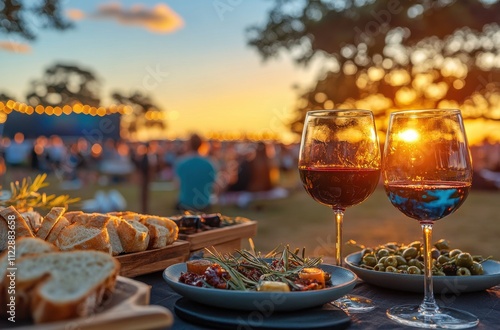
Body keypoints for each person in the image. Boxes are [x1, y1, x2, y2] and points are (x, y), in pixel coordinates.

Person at [174, 134, 217, 212]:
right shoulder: (210, 163)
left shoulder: (181, 163)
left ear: (188, 145)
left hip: (185, 205)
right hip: (204, 205)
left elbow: (177, 185)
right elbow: (213, 186)